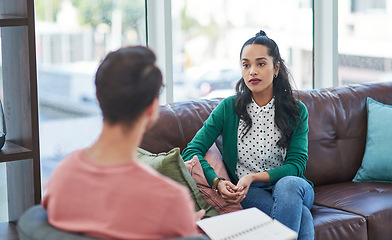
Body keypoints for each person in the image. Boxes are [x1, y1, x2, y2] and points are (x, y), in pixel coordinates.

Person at [42, 46, 205, 240]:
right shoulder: (169, 200)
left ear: (98, 98)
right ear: (152, 109)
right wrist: (184, 222)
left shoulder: (61, 176)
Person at [182, 30, 314, 240]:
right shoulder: (228, 108)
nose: (252, 71)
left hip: (294, 188)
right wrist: (217, 182)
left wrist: (252, 176)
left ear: (276, 67)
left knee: (288, 185)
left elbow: (297, 165)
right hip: (250, 193)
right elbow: (192, 151)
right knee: (304, 217)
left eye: (261, 64)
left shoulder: (297, 111)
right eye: (246, 65)